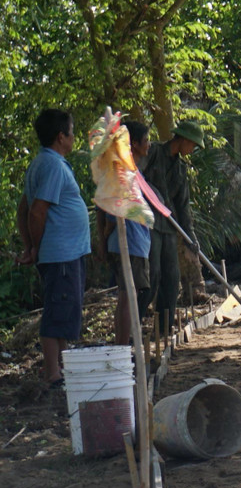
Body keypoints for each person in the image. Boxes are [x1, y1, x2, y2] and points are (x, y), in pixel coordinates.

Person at [18, 109, 92, 388]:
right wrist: (36, 246)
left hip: (64, 253)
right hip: (61, 253)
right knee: (57, 311)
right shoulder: (51, 166)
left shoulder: (43, 163)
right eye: (72, 133)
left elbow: (23, 208)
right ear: (61, 136)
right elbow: (36, 212)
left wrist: (29, 247)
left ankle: (64, 368)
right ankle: (53, 374)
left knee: (66, 310)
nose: (74, 138)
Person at [143, 119, 204, 335]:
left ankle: (164, 329)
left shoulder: (180, 169)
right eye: (193, 145)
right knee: (153, 275)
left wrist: (191, 239)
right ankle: (136, 321)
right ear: (184, 140)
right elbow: (136, 179)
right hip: (147, 223)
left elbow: (183, 207)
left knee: (172, 277)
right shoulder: (153, 153)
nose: (192, 150)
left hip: (169, 227)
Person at [98, 121, 153, 344]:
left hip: (134, 242)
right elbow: (111, 213)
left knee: (128, 295)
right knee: (128, 296)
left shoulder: (131, 171)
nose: (149, 145)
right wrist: (104, 239)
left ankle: (123, 342)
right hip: (128, 243)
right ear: (135, 144)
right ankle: (121, 345)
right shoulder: (122, 173)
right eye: (146, 140)